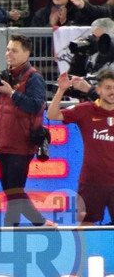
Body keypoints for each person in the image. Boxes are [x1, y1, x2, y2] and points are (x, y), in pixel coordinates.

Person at [0, 34, 55, 227]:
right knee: (10, 192)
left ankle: (38, 222)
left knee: (14, 191)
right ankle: (14, 224)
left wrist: (11, 93)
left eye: (14, 50)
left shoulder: (34, 77)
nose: (9, 53)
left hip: (21, 143)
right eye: (8, 49)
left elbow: (36, 105)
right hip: (3, 142)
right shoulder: (4, 74)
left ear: (26, 53)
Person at [47, 68, 114, 225]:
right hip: (92, 182)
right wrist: (61, 90)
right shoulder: (86, 110)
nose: (112, 92)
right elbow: (52, 114)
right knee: (86, 224)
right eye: (108, 88)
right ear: (98, 90)